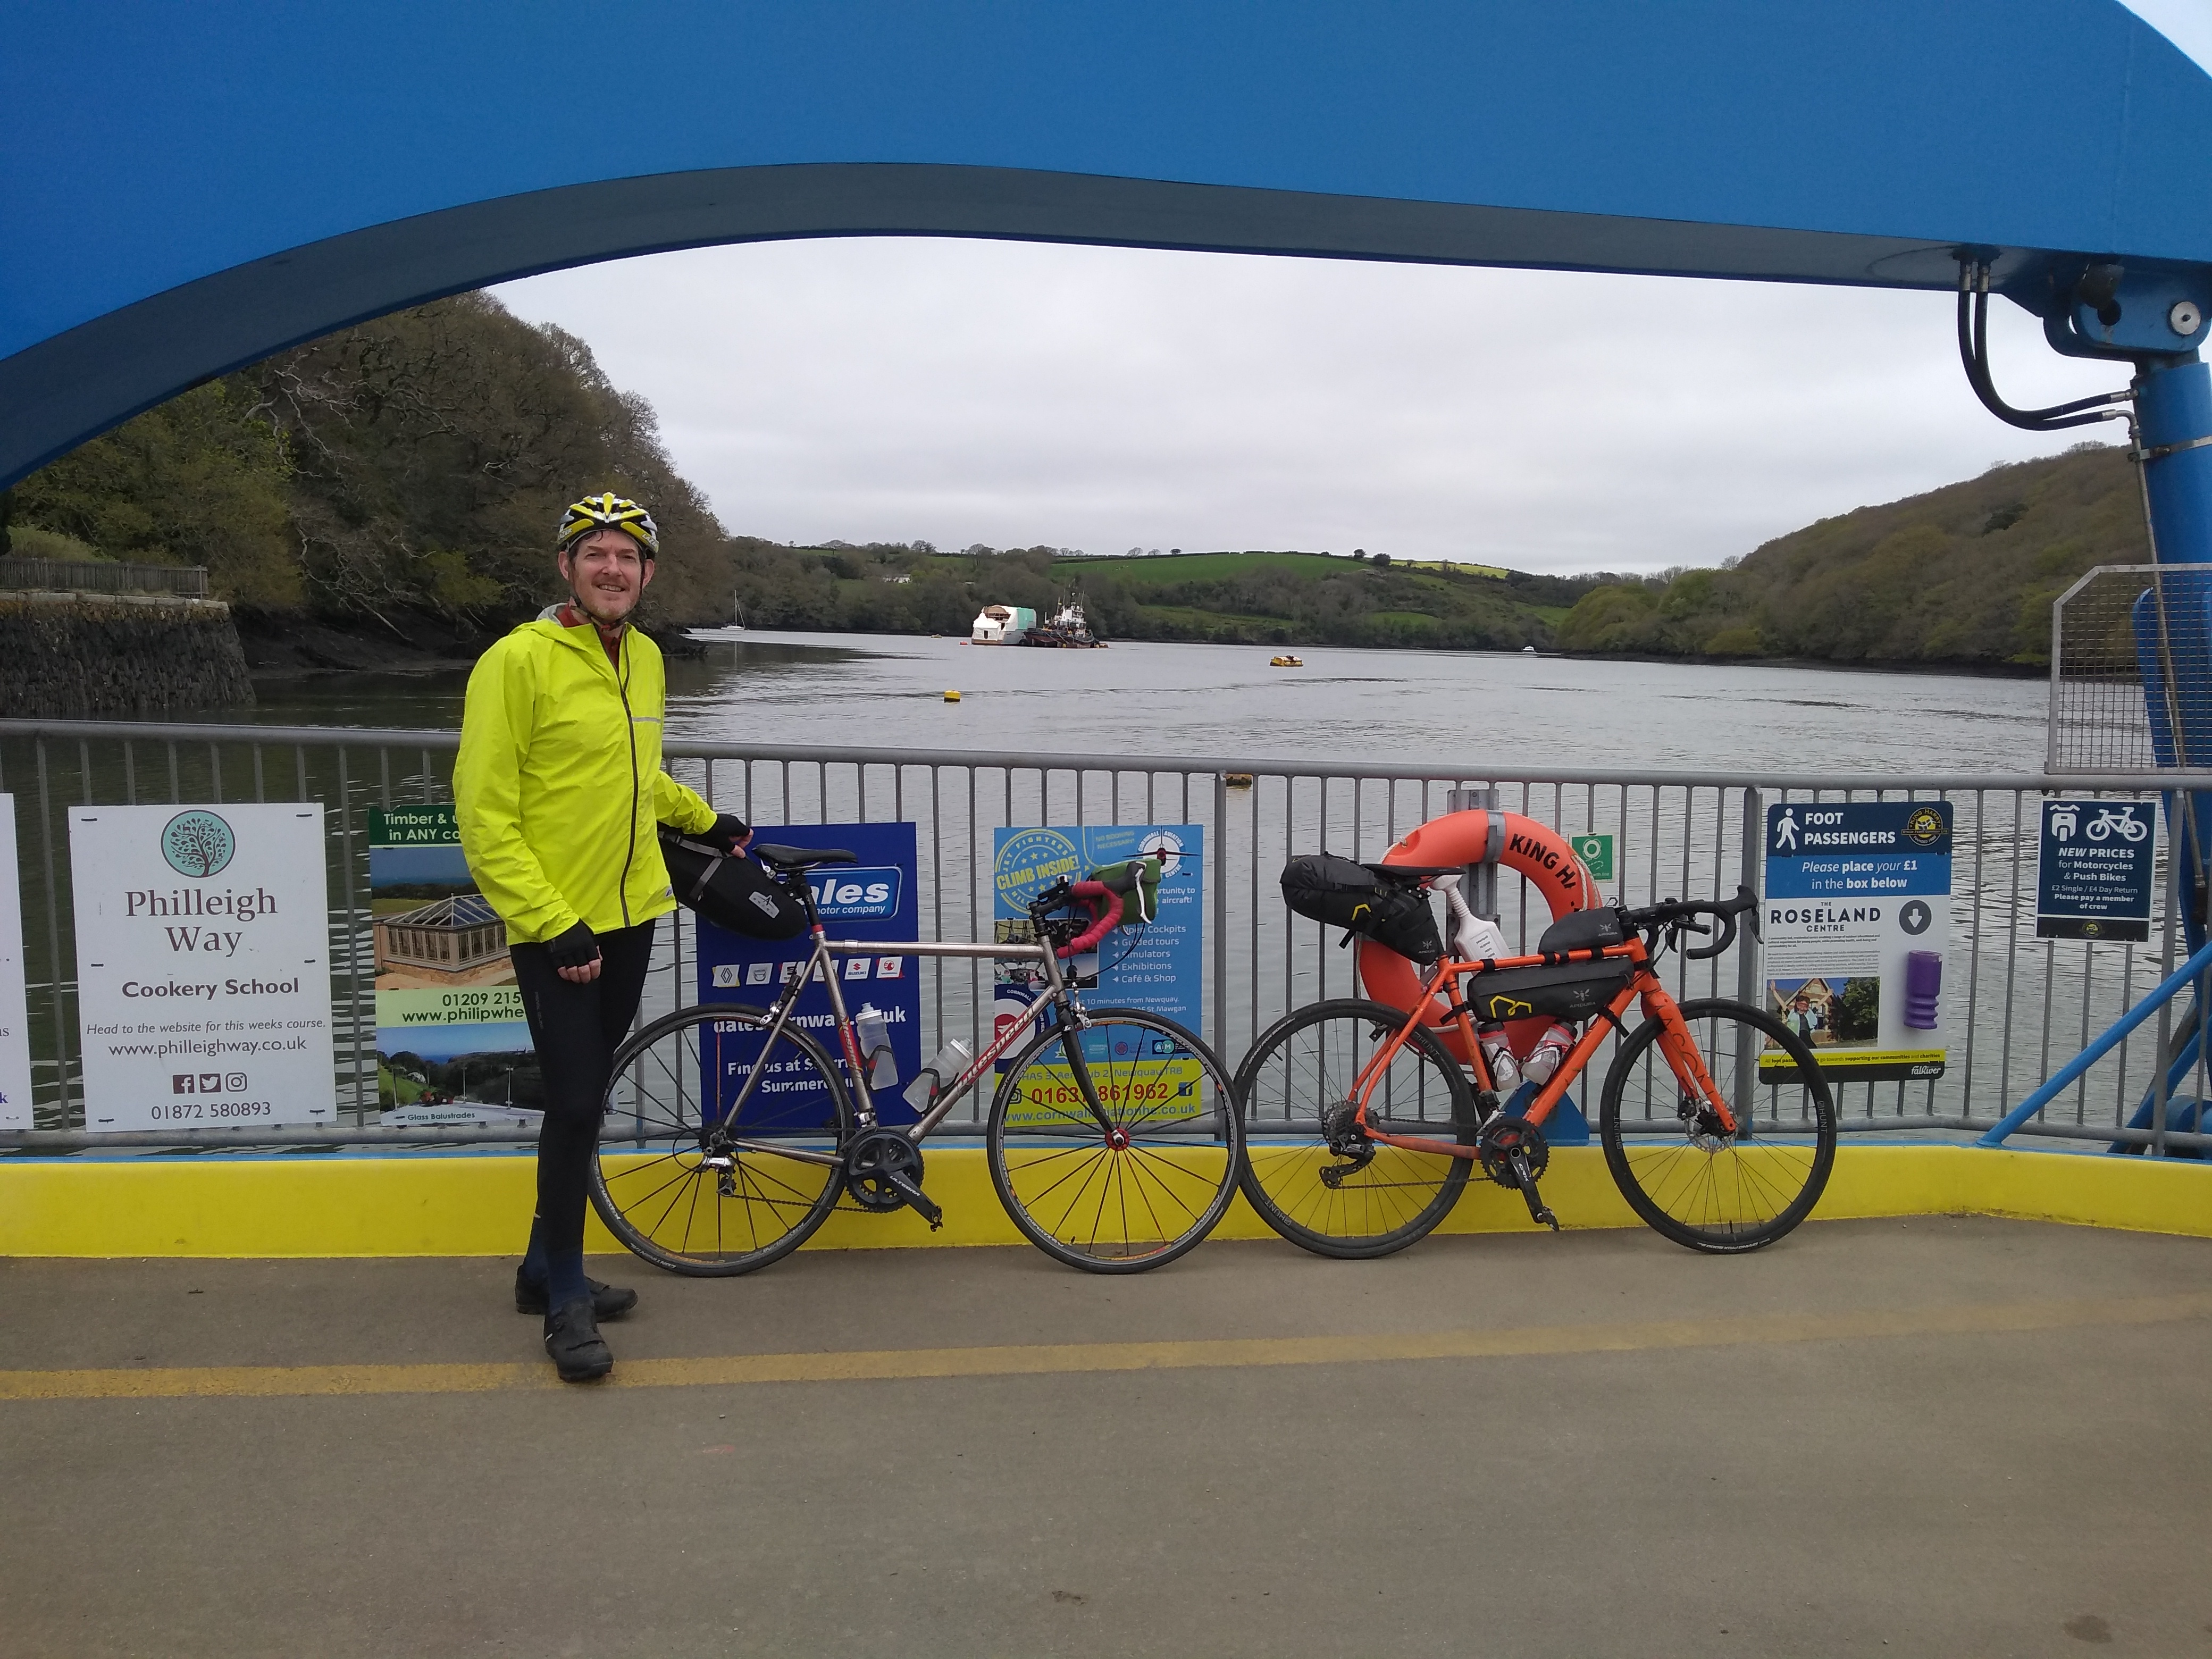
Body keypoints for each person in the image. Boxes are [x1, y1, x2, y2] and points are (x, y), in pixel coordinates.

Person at [455, 492, 749, 1382]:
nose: (613, 569)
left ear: (648, 573)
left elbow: (640, 777)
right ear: (567, 568)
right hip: (560, 925)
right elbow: (484, 814)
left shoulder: (647, 659)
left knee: (585, 1100)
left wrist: (708, 820)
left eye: (629, 556)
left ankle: (541, 1268)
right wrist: (551, 922)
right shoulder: (517, 662)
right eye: (597, 554)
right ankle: (567, 1303)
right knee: (577, 1103)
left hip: (631, 918)